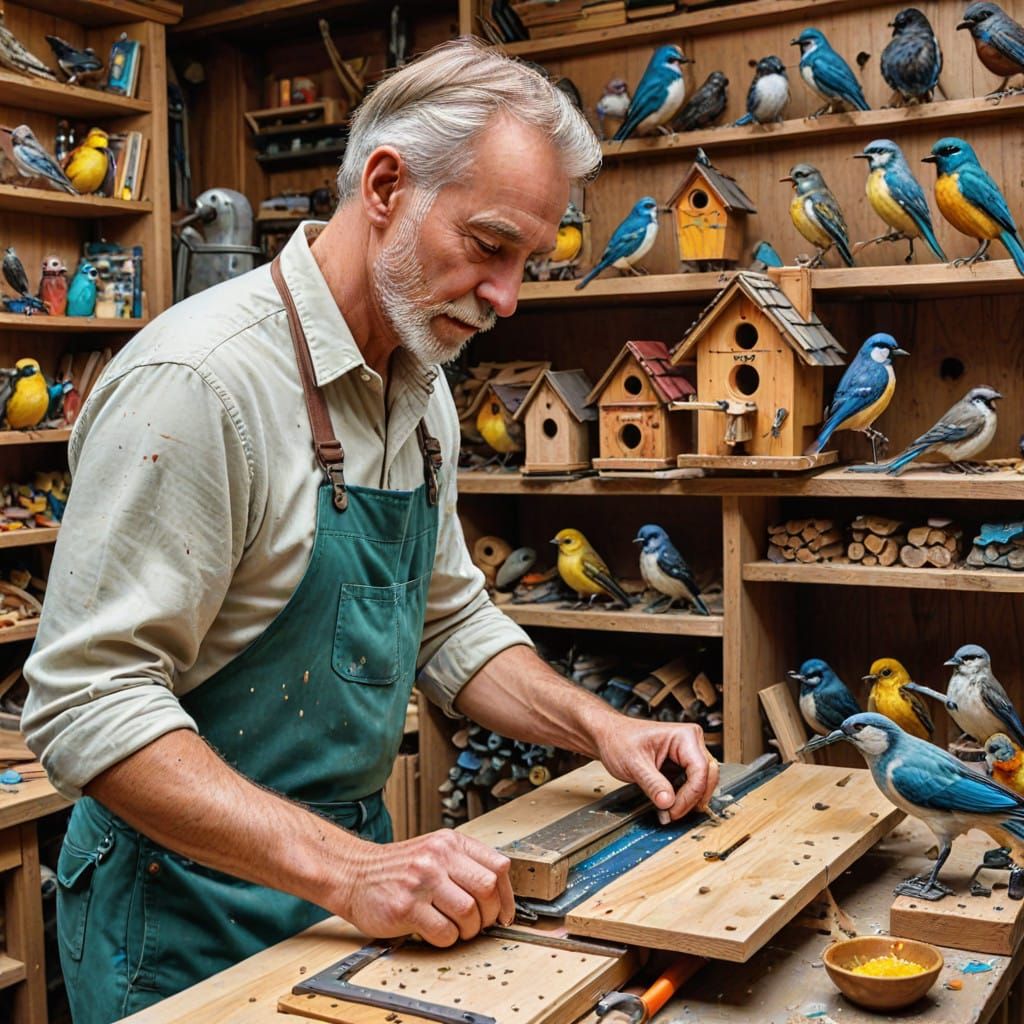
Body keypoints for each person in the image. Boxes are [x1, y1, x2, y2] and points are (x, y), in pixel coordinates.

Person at [22, 38, 718, 1022]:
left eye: (527, 262)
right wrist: (349, 870)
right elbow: (88, 704)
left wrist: (604, 728)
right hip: (180, 921)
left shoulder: (418, 388)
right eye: (489, 245)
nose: (507, 298)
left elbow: (447, 623)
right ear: (386, 186)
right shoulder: (199, 384)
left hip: (346, 895)